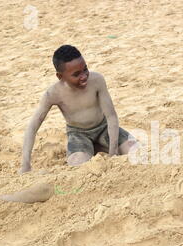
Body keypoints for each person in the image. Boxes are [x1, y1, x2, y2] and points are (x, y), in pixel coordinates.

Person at [20, 45, 135, 173]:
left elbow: (111, 116)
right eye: (76, 74)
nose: (84, 76)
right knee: (78, 167)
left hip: (104, 128)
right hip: (79, 135)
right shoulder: (53, 94)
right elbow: (32, 128)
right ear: (60, 76)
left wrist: (113, 153)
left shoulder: (97, 80)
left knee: (137, 152)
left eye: (85, 69)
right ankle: (90, 149)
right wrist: (25, 164)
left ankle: (100, 146)